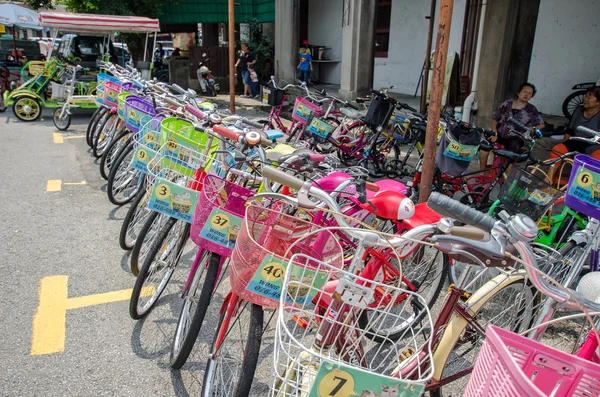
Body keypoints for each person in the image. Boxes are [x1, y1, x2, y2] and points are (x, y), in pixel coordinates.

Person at [479, 82, 545, 170]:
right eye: (525, 91)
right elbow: (495, 118)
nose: (526, 94)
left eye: (530, 93)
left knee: (512, 153)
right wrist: (494, 131)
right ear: (518, 92)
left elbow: (541, 124)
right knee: (485, 145)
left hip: (516, 137)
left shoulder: (531, 109)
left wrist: (529, 130)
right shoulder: (507, 104)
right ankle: (482, 172)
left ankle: (505, 179)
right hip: (500, 133)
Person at [550, 86, 600, 160]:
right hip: (576, 141)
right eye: (585, 96)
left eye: (589, 98)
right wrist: (563, 143)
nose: (585, 99)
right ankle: (552, 171)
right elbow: (570, 130)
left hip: (593, 145)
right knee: (557, 150)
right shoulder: (579, 110)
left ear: (598, 102)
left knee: (597, 158)